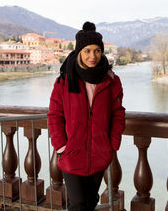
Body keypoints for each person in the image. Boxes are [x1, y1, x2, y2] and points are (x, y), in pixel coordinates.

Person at [48, 22, 125, 211]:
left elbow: (118, 114)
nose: (93, 56)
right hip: (71, 154)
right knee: (78, 204)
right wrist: (61, 146)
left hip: (99, 152)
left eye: (97, 50)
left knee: (91, 201)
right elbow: (54, 114)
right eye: (87, 51)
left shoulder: (111, 80)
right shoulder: (65, 81)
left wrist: (112, 144)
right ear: (79, 52)